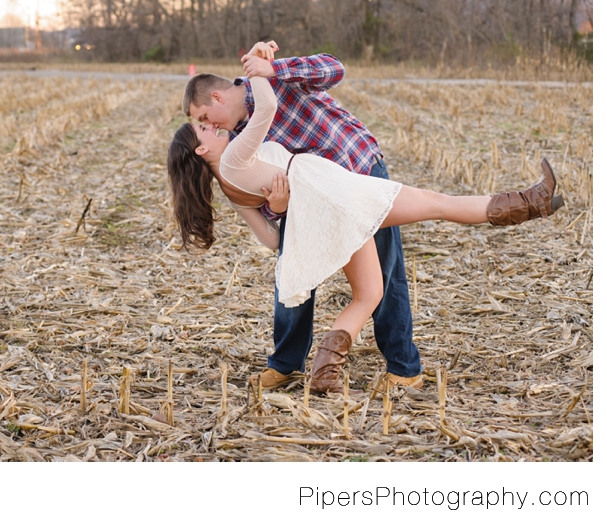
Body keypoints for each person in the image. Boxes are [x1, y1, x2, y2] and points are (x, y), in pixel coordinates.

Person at [170, 74, 564, 395]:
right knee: (436, 203)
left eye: (205, 120)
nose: (212, 127)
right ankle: (532, 202)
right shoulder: (237, 153)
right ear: (202, 151)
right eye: (202, 129)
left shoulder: (229, 187)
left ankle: (326, 369)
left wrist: (286, 208)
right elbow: (267, 107)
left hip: (321, 207)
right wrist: (257, 69)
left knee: (369, 293)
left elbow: (274, 241)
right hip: (336, 194)